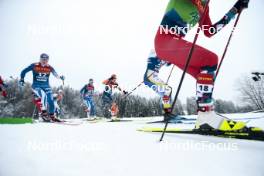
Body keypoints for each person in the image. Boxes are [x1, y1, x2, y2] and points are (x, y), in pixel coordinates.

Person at [145, 0, 250, 131]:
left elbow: (209, 31)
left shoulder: (205, 7)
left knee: (204, 75)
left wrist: (235, 10)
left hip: (174, 42)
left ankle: (205, 114)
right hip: (165, 41)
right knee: (210, 59)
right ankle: (206, 116)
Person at [19, 53, 65, 122]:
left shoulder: (49, 67)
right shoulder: (34, 65)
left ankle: (52, 116)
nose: (44, 61)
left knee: (51, 100)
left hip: (46, 86)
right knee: (43, 96)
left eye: (46, 60)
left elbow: (55, 74)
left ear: (48, 60)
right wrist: (22, 79)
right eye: (43, 59)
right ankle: (44, 114)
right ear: (40, 59)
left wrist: (60, 77)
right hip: (36, 86)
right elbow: (23, 71)